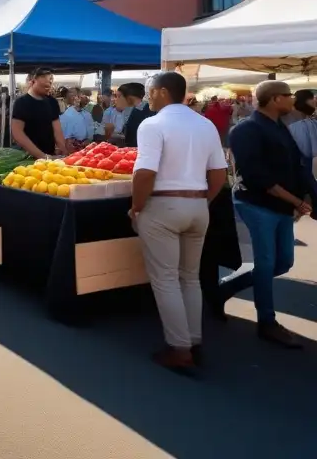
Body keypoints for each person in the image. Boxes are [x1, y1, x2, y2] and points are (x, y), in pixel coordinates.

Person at [130, 72, 226, 372]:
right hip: (198, 204)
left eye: (149, 92)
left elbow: (144, 172)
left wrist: (137, 206)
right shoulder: (205, 123)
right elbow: (219, 173)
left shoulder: (152, 124)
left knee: (166, 279)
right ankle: (193, 340)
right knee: (190, 277)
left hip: (163, 204)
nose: (147, 97)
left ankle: (179, 348)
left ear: (159, 92)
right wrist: (203, 200)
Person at [219, 80, 317, 347]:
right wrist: (297, 201)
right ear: (275, 99)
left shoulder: (279, 127)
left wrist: (312, 196)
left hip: (281, 206)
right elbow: (257, 176)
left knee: (282, 262)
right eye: (289, 96)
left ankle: (222, 290)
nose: (292, 100)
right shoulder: (246, 130)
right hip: (256, 204)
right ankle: (267, 322)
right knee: (265, 263)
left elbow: (299, 167)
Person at [11, 68, 64, 159]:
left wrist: (65, 152)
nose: (49, 83)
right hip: (27, 157)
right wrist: (43, 156)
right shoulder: (21, 103)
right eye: (45, 80)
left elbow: (57, 131)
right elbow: (17, 133)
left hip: (49, 154)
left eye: (50, 81)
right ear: (33, 81)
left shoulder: (52, 102)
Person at [117, 82, 153, 147]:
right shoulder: (130, 109)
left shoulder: (149, 111)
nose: (116, 99)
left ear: (129, 97)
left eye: (119, 96)